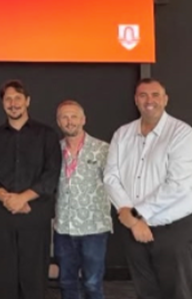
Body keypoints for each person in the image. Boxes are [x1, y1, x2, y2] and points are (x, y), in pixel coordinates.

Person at [104, 79, 192, 299]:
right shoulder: (122, 134)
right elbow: (111, 177)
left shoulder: (182, 134)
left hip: (174, 228)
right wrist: (130, 217)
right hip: (133, 228)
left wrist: (135, 215)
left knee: (176, 292)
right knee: (145, 290)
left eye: (155, 95)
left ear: (165, 99)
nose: (149, 100)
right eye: (143, 95)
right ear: (136, 100)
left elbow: (176, 185)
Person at [0, 80, 62, 299]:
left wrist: (22, 198)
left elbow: (51, 174)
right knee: (1, 278)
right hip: (1, 217)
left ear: (27, 101)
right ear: (2, 103)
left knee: (34, 278)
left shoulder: (47, 135)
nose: (13, 103)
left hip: (34, 214)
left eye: (17, 98)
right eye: (8, 99)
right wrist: (7, 199)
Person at [53, 101, 112, 299]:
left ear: (83, 119)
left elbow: (115, 184)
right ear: (58, 122)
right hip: (63, 227)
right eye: (64, 117)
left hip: (93, 228)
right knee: (66, 282)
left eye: (74, 116)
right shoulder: (53, 150)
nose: (70, 121)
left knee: (93, 283)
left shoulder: (103, 149)